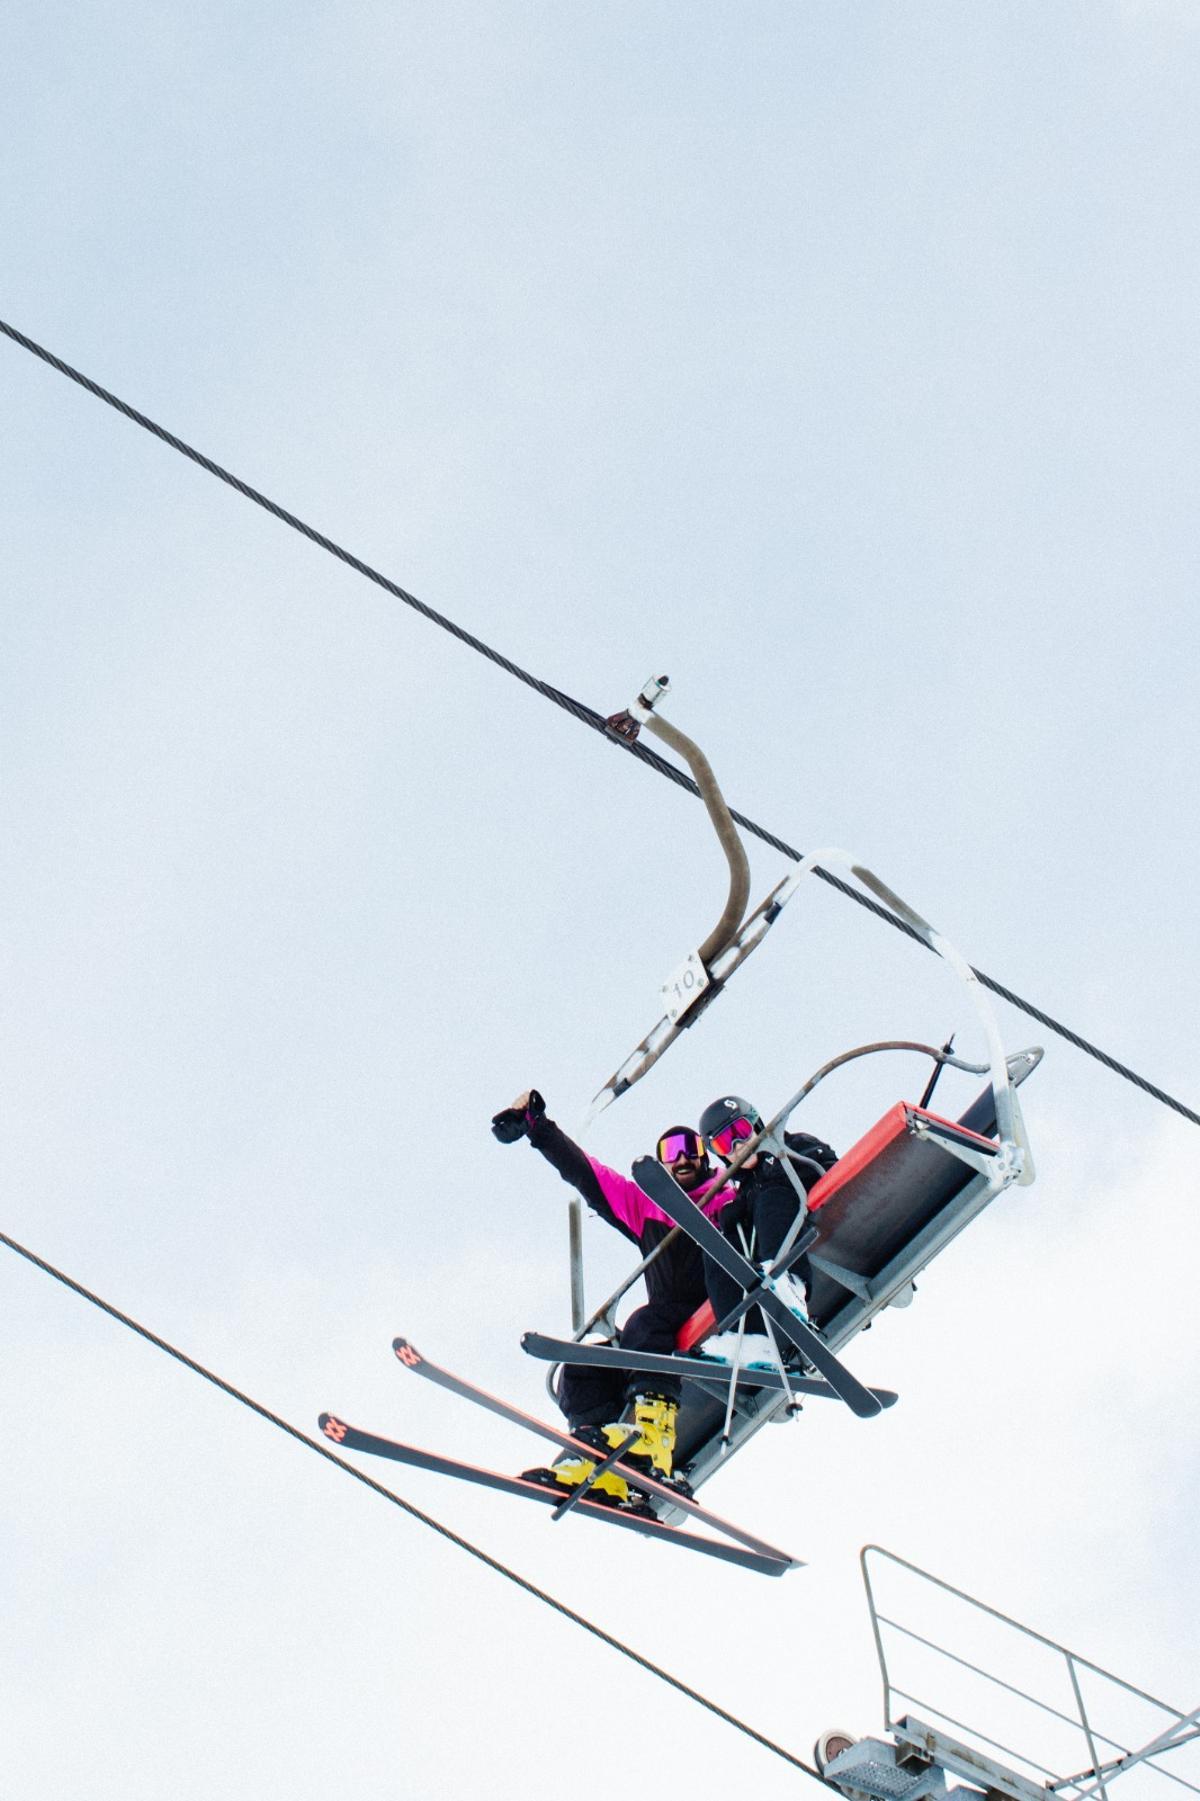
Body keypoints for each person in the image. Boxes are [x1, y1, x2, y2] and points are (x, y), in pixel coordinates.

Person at [491, 1089, 739, 1507]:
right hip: (663, 1328)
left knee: (644, 1322)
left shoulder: (729, 1196)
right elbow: (587, 1175)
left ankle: (654, 1441)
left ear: (706, 1155)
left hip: (714, 1305)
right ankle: (596, 1461)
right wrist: (537, 1127)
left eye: (691, 1148)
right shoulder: (646, 1207)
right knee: (581, 1367)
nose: (682, 1158)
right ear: (661, 1162)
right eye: (671, 1151)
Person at [696, 1095, 838, 1355]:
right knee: (717, 1248)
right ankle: (743, 1337)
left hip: (815, 1223)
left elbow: (826, 1165)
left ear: (756, 1125)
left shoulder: (791, 1145)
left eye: (740, 1131)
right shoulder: (747, 1190)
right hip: (774, 1241)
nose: (738, 1145)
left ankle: (791, 1283)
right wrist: (734, 1220)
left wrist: (776, 1175)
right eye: (724, 1143)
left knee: (772, 1197)